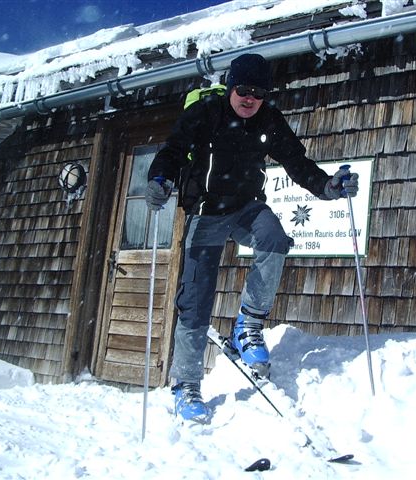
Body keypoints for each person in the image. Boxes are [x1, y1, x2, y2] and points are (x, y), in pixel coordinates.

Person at [145, 53, 358, 423]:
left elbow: (296, 162)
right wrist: (159, 179)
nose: (250, 98)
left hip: (246, 207)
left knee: (274, 237)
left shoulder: (269, 120)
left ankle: (248, 323)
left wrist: (328, 186)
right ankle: (187, 384)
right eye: (244, 89)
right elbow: (173, 150)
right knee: (195, 299)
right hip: (206, 211)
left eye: (259, 93)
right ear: (231, 87)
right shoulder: (206, 113)